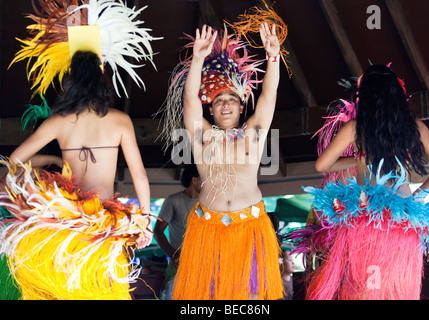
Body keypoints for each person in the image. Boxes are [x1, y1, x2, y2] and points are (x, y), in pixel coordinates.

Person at [0, 50, 152, 299]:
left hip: (67, 223)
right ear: (103, 79)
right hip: (104, 224)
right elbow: (140, 176)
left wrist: (52, 161)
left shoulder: (57, 122)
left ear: (70, 82)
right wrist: (144, 222)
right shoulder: (120, 121)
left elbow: (14, 161)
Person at [300, 64, 429, 300]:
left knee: (364, 290)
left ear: (364, 98)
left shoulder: (355, 128)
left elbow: (322, 165)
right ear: (397, 95)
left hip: (366, 219)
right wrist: (417, 198)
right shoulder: (413, 128)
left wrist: (357, 158)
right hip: (402, 223)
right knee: (396, 291)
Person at [165, 22, 284, 300]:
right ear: (212, 108)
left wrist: (273, 56)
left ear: (242, 105)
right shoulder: (202, 136)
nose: (226, 104)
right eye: (219, 100)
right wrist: (197, 58)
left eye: (232, 99)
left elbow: (269, 95)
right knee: (207, 297)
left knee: (251, 297)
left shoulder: (253, 134)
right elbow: (189, 101)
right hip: (207, 228)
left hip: (251, 227)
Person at [155, 164, 201, 299]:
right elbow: (158, 231)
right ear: (194, 180)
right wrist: (173, 255)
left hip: (204, 263)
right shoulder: (173, 201)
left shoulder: (209, 202)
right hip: (180, 265)